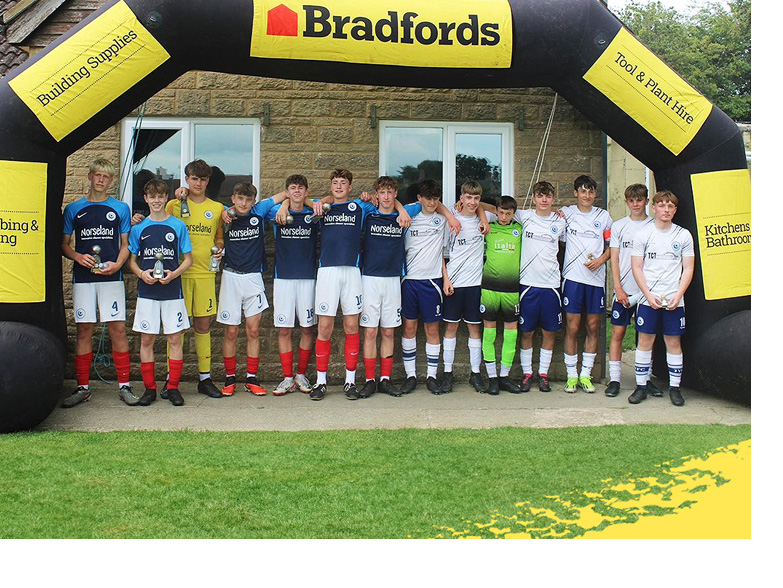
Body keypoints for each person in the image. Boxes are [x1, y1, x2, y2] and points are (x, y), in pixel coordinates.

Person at [278, 168, 410, 401]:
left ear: (350, 187)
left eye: (343, 183)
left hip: (352, 272)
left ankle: (350, 381)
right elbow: (300, 199)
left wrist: (401, 209)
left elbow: (387, 201)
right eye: (335, 183)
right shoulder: (321, 207)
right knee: (324, 328)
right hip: (327, 272)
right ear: (331, 186)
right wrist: (285, 204)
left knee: (351, 327)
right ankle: (321, 382)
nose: (339, 186)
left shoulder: (361, 207)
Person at [61, 158, 136, 407]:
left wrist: (118, 264)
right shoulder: (74, 208)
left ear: (111, 180)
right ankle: (83, 388)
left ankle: (125, 386)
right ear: (90, 176)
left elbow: (125, 244)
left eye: (106, 176)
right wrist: (77, 256)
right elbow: (64, 244)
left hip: (111, 276)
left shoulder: (120, 208)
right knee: (84, 329)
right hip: (83, 278)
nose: (101, 180)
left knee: (117, 329)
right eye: (98, 175)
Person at [217, 182, 287, 397]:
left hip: (254, 277)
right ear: (233, 199)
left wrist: (284, 206)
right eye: (240, 199)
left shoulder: (260, 209)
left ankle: (251, 379)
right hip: (231, 276)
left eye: (248, 199)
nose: (244, 203)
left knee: (253, 331)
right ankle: (230, 379)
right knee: (231, 331)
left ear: (254, 201)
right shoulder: (224, 213)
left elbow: (286, 193)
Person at [357, 177, 424, 399]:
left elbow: (430, 203)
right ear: (376, 195)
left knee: (388, 331)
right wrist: (365, 198)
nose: (386, 197)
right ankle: (369, 380)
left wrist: (401, 209)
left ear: (396, 194)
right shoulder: (368, 212)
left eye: (390, 192)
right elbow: (346, 202)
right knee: (370, 331)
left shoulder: (405, 213)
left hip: (393, 279)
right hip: (369, 278)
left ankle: (385, 379)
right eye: (382, 192)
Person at [128, 180, 193, 406]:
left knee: (175, 338)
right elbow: (131, 261)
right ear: (146, 199)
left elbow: (188, 259)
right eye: (152, 197)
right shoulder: (138, 229)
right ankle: (149, 389)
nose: (156, 201)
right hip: (147, 292)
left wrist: (173, 275)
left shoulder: (178, 226)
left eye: (160, 196)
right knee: (147, 339)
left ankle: (173, 388)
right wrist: (141, 274)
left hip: (172, 291)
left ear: (166, 198)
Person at [629, 190, 694, 407]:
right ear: (654, 208)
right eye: (662, 205)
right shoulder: (644, 234)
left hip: (674, 300)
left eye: (670, 206)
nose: (666, 210)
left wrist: (679, 295)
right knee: (645, 341)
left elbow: (688, 268)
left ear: (675, 210)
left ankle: (675, 388)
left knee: (673, 342)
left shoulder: (683, 235)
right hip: (649, 300)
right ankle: (641, 386)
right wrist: (647, 295)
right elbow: (636, 267)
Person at [167, 160, 225, 399]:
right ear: (186, 179)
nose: (198, 183)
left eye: (202, 179)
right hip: (178, 275)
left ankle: (205, 379)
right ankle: (171, 381)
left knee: (203, 326)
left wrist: (219, 248)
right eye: (194, 179)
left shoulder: (217, 208)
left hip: (204, 274)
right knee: (177, 329)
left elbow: (219, 237)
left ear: (208, 181)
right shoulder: (173, 205)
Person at [399, 179, 461, 395]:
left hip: (432, 282)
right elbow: (393, 206)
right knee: (409, 328)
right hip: (409, 281)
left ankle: (431, 376)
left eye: (436, 199)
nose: (432, 203)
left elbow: (442, 254)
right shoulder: (408, 216)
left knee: (432, 329)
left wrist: (446, 279)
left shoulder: (441, 220)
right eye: (428, 198)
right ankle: (410, 376)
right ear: (419, 198)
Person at [605, 184, 660, 398]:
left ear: (646, 201)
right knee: (618, 333)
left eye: (639, 200)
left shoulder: (654, 225)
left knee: (646, 336)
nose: (635, 204)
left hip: (647, 292)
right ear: (626, 202)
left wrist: (649, 292)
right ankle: (615, 379)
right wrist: (618, 288)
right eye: (631, 200)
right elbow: (614, 258)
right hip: (625, 290)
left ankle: (645, 379)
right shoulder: (619, 226)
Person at [267, 175, 319, 396]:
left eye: (301, 188)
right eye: (292, 188)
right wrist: (284, 204)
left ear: (306, 192)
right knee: (284, 329)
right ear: (287, 191)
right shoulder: (276, 213)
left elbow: (326, 203)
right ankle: (287, 377)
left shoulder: (315, 213)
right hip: (283, 279)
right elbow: (263, 206)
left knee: (307, 328)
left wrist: (292, 202)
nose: (297, 191)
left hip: (308, 278)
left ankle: (300, 375)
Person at [560, 175, 612, 393]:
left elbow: (612, 246)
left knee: (593, 327)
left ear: (595, 194)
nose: (587, 195)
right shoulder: (566, 213)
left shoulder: (604, 216)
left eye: (591, 191)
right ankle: (571, 375)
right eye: (583, 191)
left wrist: (601, 260)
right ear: (576, 193)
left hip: (595, 281)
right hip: (573, 279)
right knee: (572, 327)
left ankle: (586, 375)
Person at [514, 181, 567, 392]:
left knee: (549, 332)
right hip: (528, 284)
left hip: (551, 285)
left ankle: (543, 374)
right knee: (526, 332)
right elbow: (497, 208)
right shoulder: (524, 216)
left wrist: (562, 213)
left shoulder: (560, 221)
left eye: (548, 196)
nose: (544, 200)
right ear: (534, 198)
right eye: (540, 196)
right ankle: (527, 373)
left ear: (553, 199)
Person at [441, 181, 491, 394]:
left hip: (475, 284)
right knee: (450, 328)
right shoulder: (451, 220)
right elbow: (440, 253)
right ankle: (447, 373)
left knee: (474, 329)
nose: (472, 202)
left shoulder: (484, 220)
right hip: (454, 283)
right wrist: (446, 280)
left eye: (476, 198)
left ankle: (475, 373)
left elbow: (499, 209)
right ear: (461, 198)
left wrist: (482, 215)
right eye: (468, 197)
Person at [478, 195, 524, 395]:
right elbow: (478, 205)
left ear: (514, 213)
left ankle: (504, 376)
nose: (504, 217)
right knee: (489, 333)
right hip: (489, 288)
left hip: (511, 290)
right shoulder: (489, 228)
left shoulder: (519, 229)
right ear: (496, 211)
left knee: (511, 334)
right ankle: (492, 378)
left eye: (508, 213)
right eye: (501, 213)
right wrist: (488, 214)